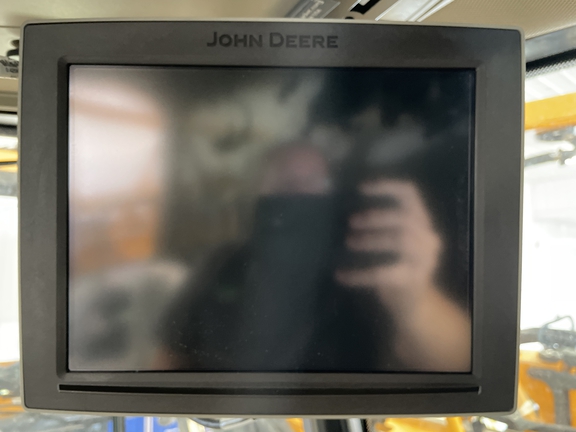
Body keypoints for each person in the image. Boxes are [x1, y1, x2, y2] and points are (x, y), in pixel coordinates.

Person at [155, 145, 470, 372]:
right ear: (256, 197)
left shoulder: (365, 262)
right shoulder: (223, 264)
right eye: (286, 184)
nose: (302, 196)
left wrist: (416, 299)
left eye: (316, 184)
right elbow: (170, 353)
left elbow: (458, 362)